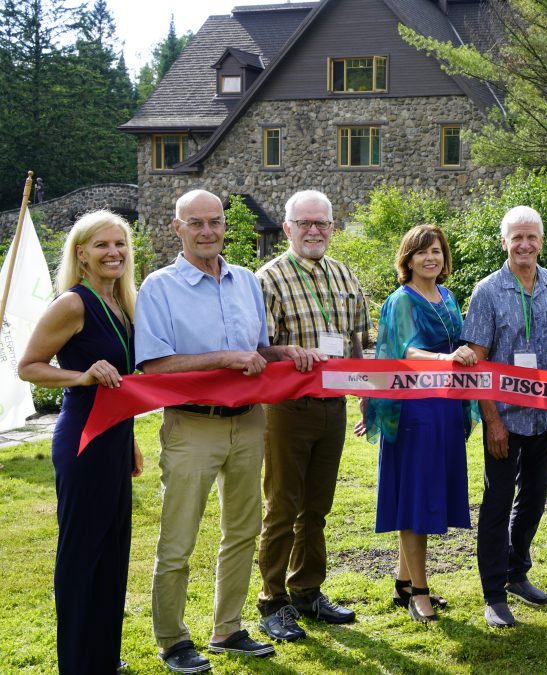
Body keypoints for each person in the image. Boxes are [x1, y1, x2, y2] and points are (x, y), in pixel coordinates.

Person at [135, 189, 324, 673]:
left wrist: (287, 353)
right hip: (192, 425)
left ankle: (227, 628)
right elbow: (154, 366)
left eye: (214, 222)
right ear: (177, 228)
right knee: (178, 540)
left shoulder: (244, 281)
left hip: (249, 421)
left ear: (225, 226)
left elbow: (256, 348)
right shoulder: (158, 286)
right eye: (195, 223)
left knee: (242, 532)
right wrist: (223, 358)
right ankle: (173, 640)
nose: (207, 231)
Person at [18, 210, 143, 674]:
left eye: (120, 245)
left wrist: (128, 438)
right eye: (102, 246)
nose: (114, 253)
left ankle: (102, 656)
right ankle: (76, 661)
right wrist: (82, 376)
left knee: (112, 551)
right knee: (82, 552)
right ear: (81, 255)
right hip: (82, 441)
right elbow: (28, 365)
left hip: (115, 438)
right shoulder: (73, 303)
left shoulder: (123, 303)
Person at [254, 190, 371, 641]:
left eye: (321, 223)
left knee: (317, 507)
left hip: (334, 405)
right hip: (287, 408)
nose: (314, 230)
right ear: (287, 229)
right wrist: (286, 353)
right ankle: (272, 600)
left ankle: (306, 590)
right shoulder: (269, 278)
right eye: (304, 223)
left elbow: (356, 341)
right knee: (282, 505)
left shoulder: (344, 275)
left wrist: (365, 393)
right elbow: (259, 348)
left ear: (332, 228)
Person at [359, 224, 478, 623]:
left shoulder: (448, 296)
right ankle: (420, 594)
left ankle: (403, 581)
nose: (432, 257)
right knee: (416, 497)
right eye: (423, 251)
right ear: (407, 258)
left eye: (438, 251)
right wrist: (447, 360)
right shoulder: (401, 299)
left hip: (444, 407)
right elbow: (405, 350)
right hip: (414, 409)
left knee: (429, 489)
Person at [461, 206, 547, 628]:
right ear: (504, 241)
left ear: (541, 241)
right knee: (497, 502)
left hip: (546, 418)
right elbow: (478, 363)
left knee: (534, 501)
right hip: (504, 420)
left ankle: (516, 572)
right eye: (516, 238)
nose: (525, 245)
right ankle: (493, 593)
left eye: (532, 237)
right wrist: (491, 421)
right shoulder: (487, 291)